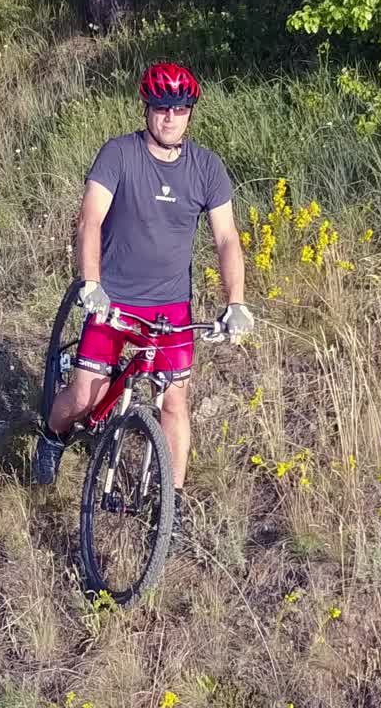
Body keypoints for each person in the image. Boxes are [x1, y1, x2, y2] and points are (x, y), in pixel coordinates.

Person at [32, 61, 254, 539]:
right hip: (113, 298)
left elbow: (226, 239)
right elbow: (90, 220)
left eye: (179, 108)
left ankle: (171, 505)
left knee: (174, 401)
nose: (169, 117)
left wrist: (235, 302)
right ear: (147, 108)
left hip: (170, 306)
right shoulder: (119, 154)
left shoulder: (206, 168)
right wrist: (91, 282)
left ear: (190, 112)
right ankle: (52, 437)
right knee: (85, 396)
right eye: (160, 107)